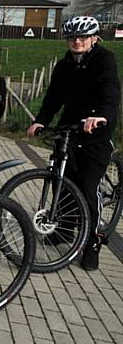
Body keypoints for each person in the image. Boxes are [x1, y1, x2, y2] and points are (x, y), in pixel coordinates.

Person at [27, 16, 120, 271]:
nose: (77, 41)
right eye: (72, 38)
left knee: (89, 189)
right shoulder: (64, 65)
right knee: (63, 182)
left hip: (96, 132)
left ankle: (92, 242)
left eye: (82, 37)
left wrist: (101, 115)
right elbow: (53, 98)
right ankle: (66, 231)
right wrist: (40, 121)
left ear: (93, 38)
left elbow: (110, 92)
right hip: (70, 129)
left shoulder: (104, 60)